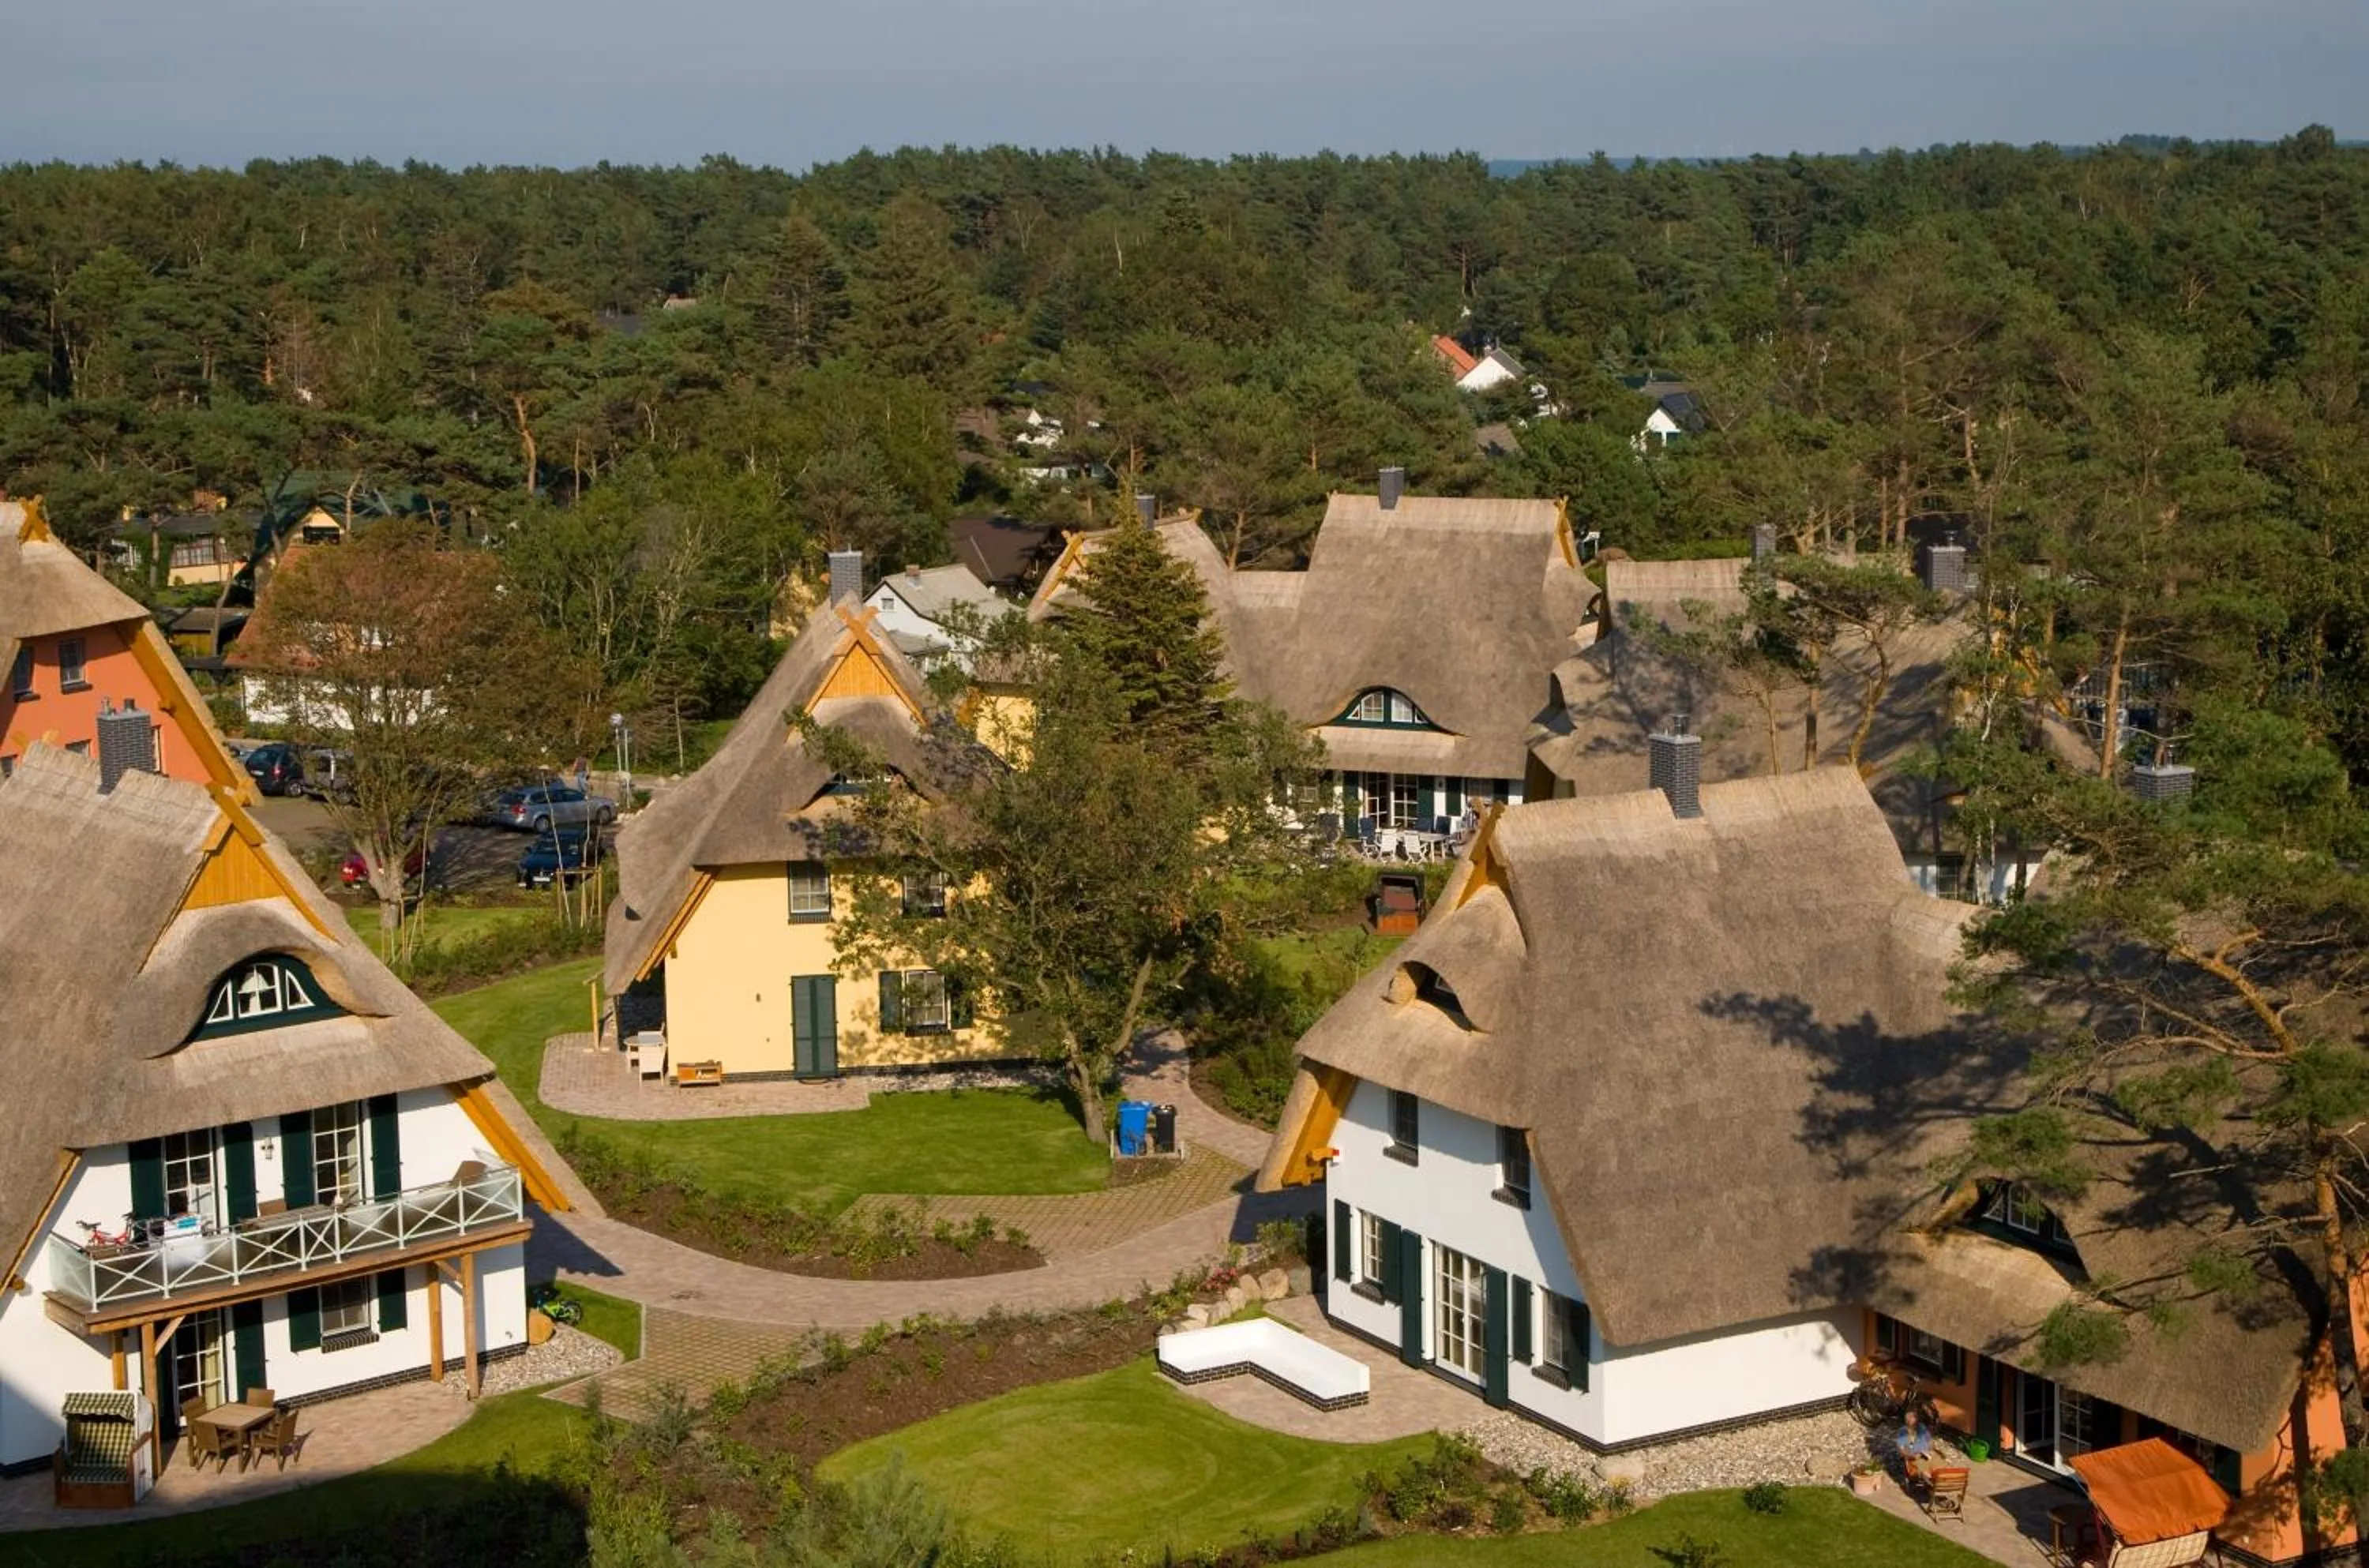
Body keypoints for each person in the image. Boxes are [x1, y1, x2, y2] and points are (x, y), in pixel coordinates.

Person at [1895, 1405, 1934, 1480]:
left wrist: (1930, 1450)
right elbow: (1901, 1450)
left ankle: (1936, 1477)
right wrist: (1910, 1455)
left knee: (1937, 1463)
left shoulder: (1921, 1427)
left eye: (1913, 1416)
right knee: (1923, 1468)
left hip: (1926, 1455)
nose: (1910, 1419)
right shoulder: (1903, 1432)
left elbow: (1930, 1441)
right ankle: (1929, 1478)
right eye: (1908, 1417)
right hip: (1914, 1459)